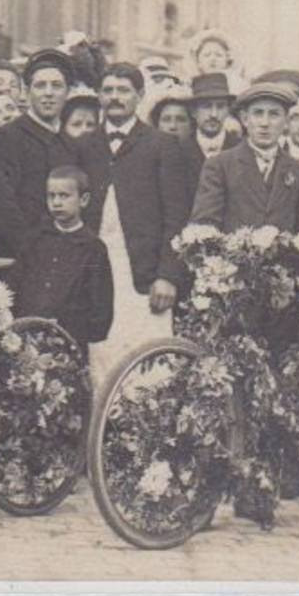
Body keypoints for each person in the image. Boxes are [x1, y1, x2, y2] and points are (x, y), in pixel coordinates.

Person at [76, 63, 191, 385]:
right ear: (99, 95)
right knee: (99, 359)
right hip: (96, 271)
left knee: (149, 363)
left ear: (139, 96)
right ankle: (102, 433)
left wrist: (168, 275)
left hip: (144, 274)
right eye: (108, 90)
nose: (115, 98)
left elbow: (177, 217)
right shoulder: (84, 146)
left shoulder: (161, 145)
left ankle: (146, 433)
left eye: (123, 90)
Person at [0, 48, 77, 266]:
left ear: (68, 92)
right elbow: (2, 206)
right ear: (26, 92)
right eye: (40, 85)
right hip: (20, 261)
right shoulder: (3, 139)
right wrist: (37, 255)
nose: (48, 93)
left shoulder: (71, 146)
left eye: (56, 86)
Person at [12, 164, 113, 360]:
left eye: (64, 196)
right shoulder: (36, 239)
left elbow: (101, 310)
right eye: (51, 196)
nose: (56, 202)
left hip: (67, 346)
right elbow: (16, 283)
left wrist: (67, 327)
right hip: (26, 341)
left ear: (83, 200)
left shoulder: (93, 248)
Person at [190, 81, 299, 233]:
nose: (265, 123)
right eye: (258, 113)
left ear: (286, 121)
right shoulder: (220, 165)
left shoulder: (298, 170)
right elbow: (204, 226)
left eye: (274, 114)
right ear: (245, 119)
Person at [184, 72, 240, 194]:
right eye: (206, 106)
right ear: (193, 112)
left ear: (228, 111)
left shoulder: (241, 149)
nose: (213, 114)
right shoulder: (178, 149)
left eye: (220, 107)